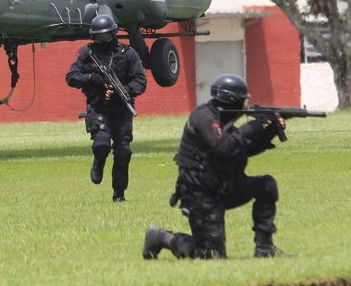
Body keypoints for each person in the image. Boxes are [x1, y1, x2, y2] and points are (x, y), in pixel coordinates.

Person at [142, 74, 288, 260]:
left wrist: (270, 131)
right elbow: (223, 147)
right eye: (241, 102)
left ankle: (265, 248)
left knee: (267, 185)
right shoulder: (203, 117)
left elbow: (244, 148)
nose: (243, 108)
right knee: (212, 255)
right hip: (200, 195)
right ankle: (163, 238)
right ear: (230, 101)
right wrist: (251, 127)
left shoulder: (224, 122)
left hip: (225, 187)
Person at [65, 14, 147, 202]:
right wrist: (92, 79)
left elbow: (140, 81)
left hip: (121, 110)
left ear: (114, 34)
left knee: (123, 152)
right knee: (102, 144)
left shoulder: (128, 53)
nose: (103, 40)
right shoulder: (87, 53)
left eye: (106, 36)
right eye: (99, 37)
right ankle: (99, 162)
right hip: (98, 107)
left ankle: (119, 194)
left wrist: (124, 90)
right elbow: (71, 76)